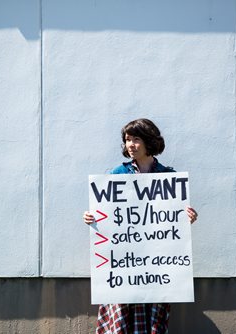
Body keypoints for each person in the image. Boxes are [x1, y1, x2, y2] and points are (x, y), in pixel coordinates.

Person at [83, 118, 198, 334]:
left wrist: (187, 217)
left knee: (153, 320)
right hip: (124, 266)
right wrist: (92, 217)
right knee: (121, 322)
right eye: (127, 140)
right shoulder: (117, 174)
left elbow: (174, 221)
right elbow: (107, 212)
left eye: (136, 139)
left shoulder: (168, 178)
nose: (130, 145)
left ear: (149, 142)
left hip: (157, 267)